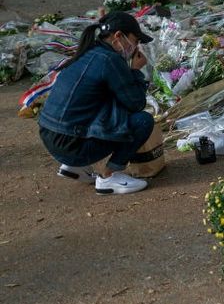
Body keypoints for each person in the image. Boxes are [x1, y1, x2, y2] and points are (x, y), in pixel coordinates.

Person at [38, 12, 154, 195]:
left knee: (101, 104)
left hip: (50, 135)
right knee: (142, 120)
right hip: (71, 145)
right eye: (135, 40)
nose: (136, 46)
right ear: (118, 36)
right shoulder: (110, 60)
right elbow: (136, 103)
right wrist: (135, 72)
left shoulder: (89, 51)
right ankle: (109, 177)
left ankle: (74, 167)